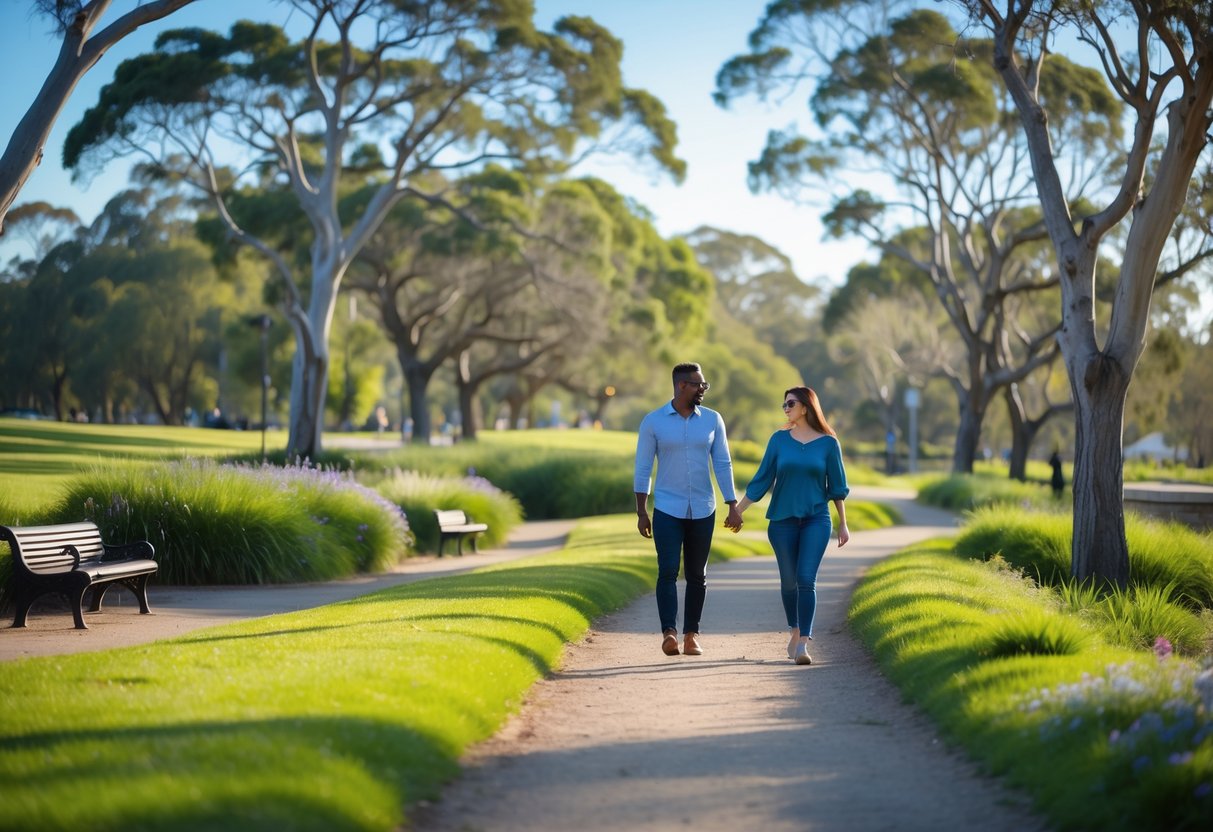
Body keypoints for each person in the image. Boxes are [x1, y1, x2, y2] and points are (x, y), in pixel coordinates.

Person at [634, 362, 744, 657]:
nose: (702, 390)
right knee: (667, 571)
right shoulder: (654, 422)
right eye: (698, 385)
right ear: (682, 385)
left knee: (697, 574)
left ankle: (691, 635)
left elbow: (723, 463)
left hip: (703, 509)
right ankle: (669, 633)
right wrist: (642, 511)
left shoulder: (712, 420)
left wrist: (732, 504)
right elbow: (643, 468)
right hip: (667, 508)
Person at [735, 386, 850, 665]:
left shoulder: (828, 443)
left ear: (806, 407)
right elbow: (762, 479)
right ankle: (795, 629)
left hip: (816, 520)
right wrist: (738, 510)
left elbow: (837, 488)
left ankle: (804, 644)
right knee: (789, 582)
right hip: (782, 522)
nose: (785, 408)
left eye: (790, 403)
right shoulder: (778, 440)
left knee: (805, 579)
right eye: (784, 404)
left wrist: (843, 524)